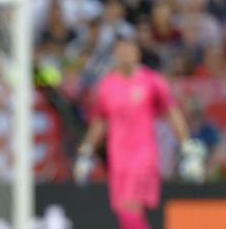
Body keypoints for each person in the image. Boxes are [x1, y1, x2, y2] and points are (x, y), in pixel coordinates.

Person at [74, 37, 205, 229]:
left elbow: (172, 112)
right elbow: (100, 122)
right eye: (121, 51)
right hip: (118, 158)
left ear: (138, 54)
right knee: (124, 213)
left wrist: (187, 145)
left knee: (130, 209)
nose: (125, 55)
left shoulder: (152, 82)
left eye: (129, 50)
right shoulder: (106, 86)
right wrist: (86, 152)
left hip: (143, 156)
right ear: (115, 55)